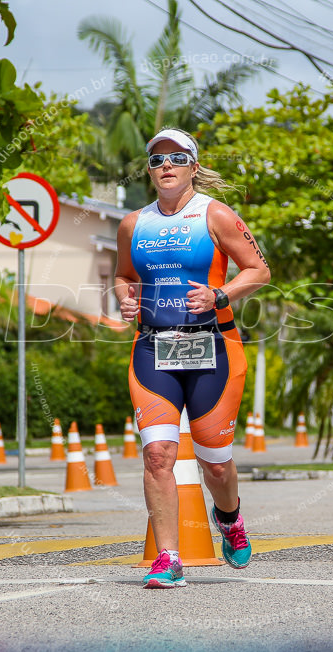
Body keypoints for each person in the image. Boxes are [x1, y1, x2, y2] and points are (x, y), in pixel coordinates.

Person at [115, 128, 271, 588]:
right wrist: (125, 301)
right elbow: (124, 276)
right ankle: (168, 558)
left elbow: (259, 270)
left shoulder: (215, 215)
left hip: (213, 347)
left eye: (177, 158)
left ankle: (230, 518)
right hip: (153, 347)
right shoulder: (132, 224)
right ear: (149, 169)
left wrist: (220, 293)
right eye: (157, 159)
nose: (167, 166)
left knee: (215, 463)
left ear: (193, 167)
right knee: (158, 455)